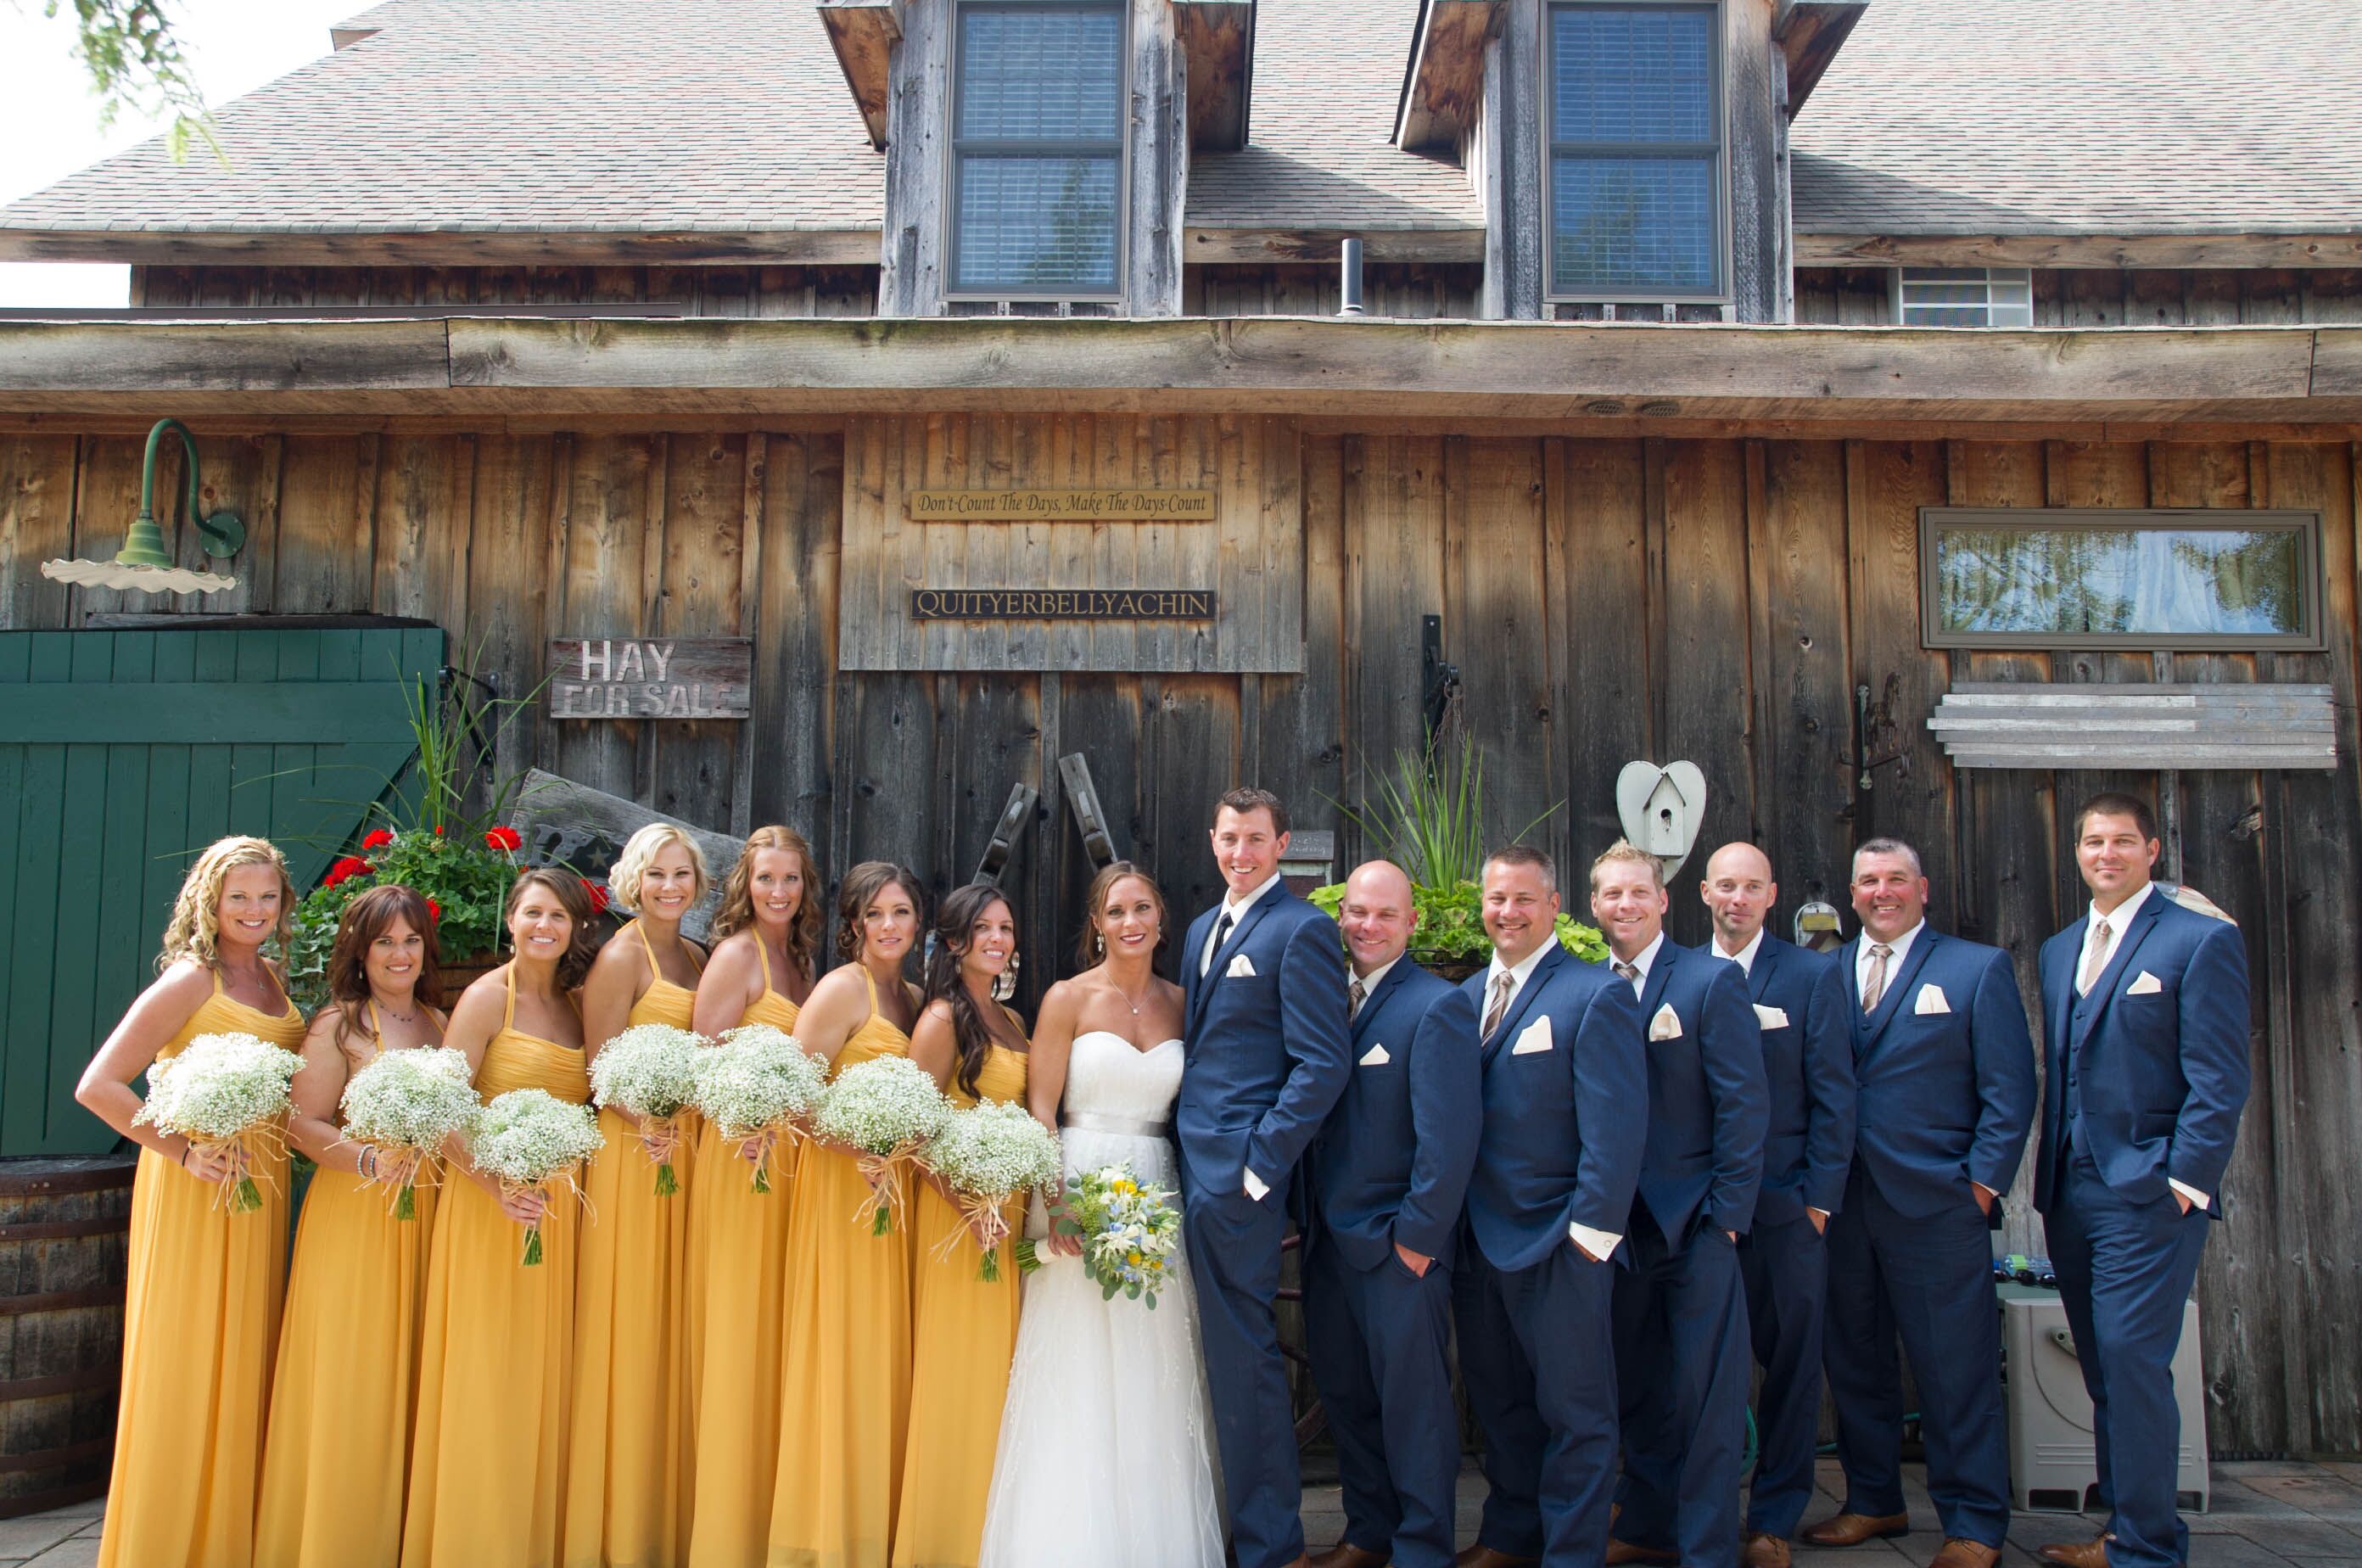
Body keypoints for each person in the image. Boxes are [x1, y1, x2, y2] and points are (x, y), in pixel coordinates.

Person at [979, 862, 1225, 1568]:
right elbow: (1041, 1107)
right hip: (1077, 1182)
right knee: (1078, 1357)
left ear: (1161, 919)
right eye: (1115, 911)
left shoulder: (1184, 1001)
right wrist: (1054, 1202)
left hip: (1157, 1183)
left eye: (1142, 908)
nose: (1129, 922)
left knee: (1156, 1357)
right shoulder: (1067, 999)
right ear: (1096, 923)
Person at [2033, 795, 2249, 1568]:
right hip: (2071, 1194)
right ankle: (2123, 1529)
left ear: (2152, 851)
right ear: (2079, 852)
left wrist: (2184, 1182)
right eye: (2094, 841)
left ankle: (2151, 1547)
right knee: (2103, 1370)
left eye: (2123, 841)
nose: (2106, 853)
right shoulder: (2061, 950)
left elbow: (2219, 1078)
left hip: (2148, 1192)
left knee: (2132, 1362)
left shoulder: (2198, 940)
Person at [79, 836, 307, 1568]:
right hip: (197, 1188)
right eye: (239, 896)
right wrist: (182, 1148)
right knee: (188, 1355)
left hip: (259, 1189)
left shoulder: (271, 978)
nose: (254, 909)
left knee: (242, 1349)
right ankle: (166, 1541)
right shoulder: (190, 980)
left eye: (267, 897)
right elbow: (101, 1086)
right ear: (208, 900)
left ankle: (224, 1537)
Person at [1806, 839, 2036, 1568]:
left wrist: (1980, 1186)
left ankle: (1973, 1522)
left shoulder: (1976, 969)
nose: (1882, 892)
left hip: (1939, 1203)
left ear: (1922, 888)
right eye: (1869, 881)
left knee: (1954, 1366)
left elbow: (2011, 1089)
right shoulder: (1825, 975)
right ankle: (1873, 1499)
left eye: (1896, 880)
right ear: (1851, 893)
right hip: (1843, 1201)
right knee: (1855, 1359)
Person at [1452, 845, 1648, 1568]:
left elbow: (1616, 1126)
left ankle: (1571, 1552)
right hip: (1477, 1241)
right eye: (1497, 899)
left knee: (1577, 1415)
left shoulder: (1595, 994)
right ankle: (1511, 1535)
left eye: (1523, 899)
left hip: (1561, 1241)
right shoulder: (1467, 996)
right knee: (1499, 1405)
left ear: (1555, 906)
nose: (1508, 912)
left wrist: (1591, 1237)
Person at [1177, 787, 1353, 1568]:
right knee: (1210, 1359)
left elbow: (1324, 1062)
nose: (1240, 853)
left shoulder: (1303, 930)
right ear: (1211, 841)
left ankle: (1272, 1547)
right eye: (1227, 838)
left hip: (1239, 1182)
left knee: (1246, 1364)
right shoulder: (1197, 930)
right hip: (1185, 1169)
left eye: (1255, 839)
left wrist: (1258, 1167)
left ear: (1283, 844)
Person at [403, 867, 598, 1568]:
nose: (545, 927)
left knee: (547, 1374)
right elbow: (442, 1110)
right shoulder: (487, 1000)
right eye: (533, 914)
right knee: (489, 1371)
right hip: (491, 1210)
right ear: (510, 919)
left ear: (575, 928)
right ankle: (475, 1540)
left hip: (558, 1209)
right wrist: (495, 1188)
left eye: (559, 917)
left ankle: (531, 1535)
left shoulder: (579, 1005)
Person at [256, 882, 448, 1568]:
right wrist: (366, 1157)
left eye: (411, 940)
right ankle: (337, 1538)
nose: (400, 954)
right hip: (357, 1216)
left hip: (427, 1211)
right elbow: (301, 1124)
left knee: (416, 1368)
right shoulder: (338, 1025)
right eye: (385, 942)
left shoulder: (438, 1022)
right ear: (359, 952)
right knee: (355, 1370)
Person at [1592, 841, 1767, 1568]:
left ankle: (1706, 1547)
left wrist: (1726, 1219)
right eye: (1611, 895)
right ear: (1594, 906)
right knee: (1637, 1387)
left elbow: (1743, 1105)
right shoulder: (1584, 984)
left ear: (1663, 901)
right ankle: (1647, 1525)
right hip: (1615, 1231)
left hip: (1695, 1226)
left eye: (1638, 893)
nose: (1625, 906)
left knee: (1707, 1398)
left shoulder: (1707, 982)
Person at [1300, 860, 1480, 1568]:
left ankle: (1423, 1544)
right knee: (1346, 1396)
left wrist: (1417, 1240)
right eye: (1355, 912)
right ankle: (1368, 1531)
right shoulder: (1324, 999)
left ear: (1412, 923)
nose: (1366, 926)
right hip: (1326, 1241)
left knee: (1416, 1409)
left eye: (1383, 914)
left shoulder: (1437, 1006)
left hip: (1396, 1247)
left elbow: (1450, 1138)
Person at [1697, 843, 1855, 1568]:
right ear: (1703, 893)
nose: (1737, 898)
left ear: (1771, 894)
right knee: (1698, 1370)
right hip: (1698, 1213)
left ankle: (1773, 1519)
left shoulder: (1812, 976)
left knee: (1790, 1366)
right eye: (1725, 885)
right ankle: (1687, 1510)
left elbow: (1833, 1093)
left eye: (1751, 887)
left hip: (1785, 1204)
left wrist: (1819, 1201)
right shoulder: (1683, 973)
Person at [766, 862, 926, 1568]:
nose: (890, 926)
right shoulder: (842, 989)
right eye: (877, 914)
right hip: (841, 1191)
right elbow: (792, 1097)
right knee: (841, 1347)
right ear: (855, 924)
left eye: (902, 913)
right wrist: (856, 1146)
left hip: (894, 1195)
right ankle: (827, 1534)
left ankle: (876, 1520)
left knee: (883, 1351)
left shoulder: (915, 998)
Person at [567, 824, 711, 1568]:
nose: (669, 887)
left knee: (676, 1317)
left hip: (688, 1154)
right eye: (657, 874)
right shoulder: (623, 957)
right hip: (634, 1153)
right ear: (633, 879)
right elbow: (598, 1072)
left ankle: (670, 1508)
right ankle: (619, 1523)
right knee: (632, 1317)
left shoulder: (696, 954)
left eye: (682, 874)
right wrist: (646, 1122)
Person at [686, 826, 820, 1568]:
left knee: (774, 1325)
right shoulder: (737, 953)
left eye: (792, 880)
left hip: (790, 1163)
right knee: (739, 1324)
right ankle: (726, 1530)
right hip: (741, 1160)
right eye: (767, 878)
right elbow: (705, 1063)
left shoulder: (799, 960)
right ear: (747, 881)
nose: (779, 892)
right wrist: (749, 1121)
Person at [893, 885, 1033, 1568]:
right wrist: (968, 1210)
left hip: (1003, 1215)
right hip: (958, 1222)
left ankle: (991, 1530)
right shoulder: (943, 1020)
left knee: (998, 1372)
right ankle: (945, 1541)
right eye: (983, 929)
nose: (998, 940)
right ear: (953, 942)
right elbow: (916, 1136)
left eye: (1006, 928)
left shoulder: (1007, 1017)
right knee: (961, 1371)